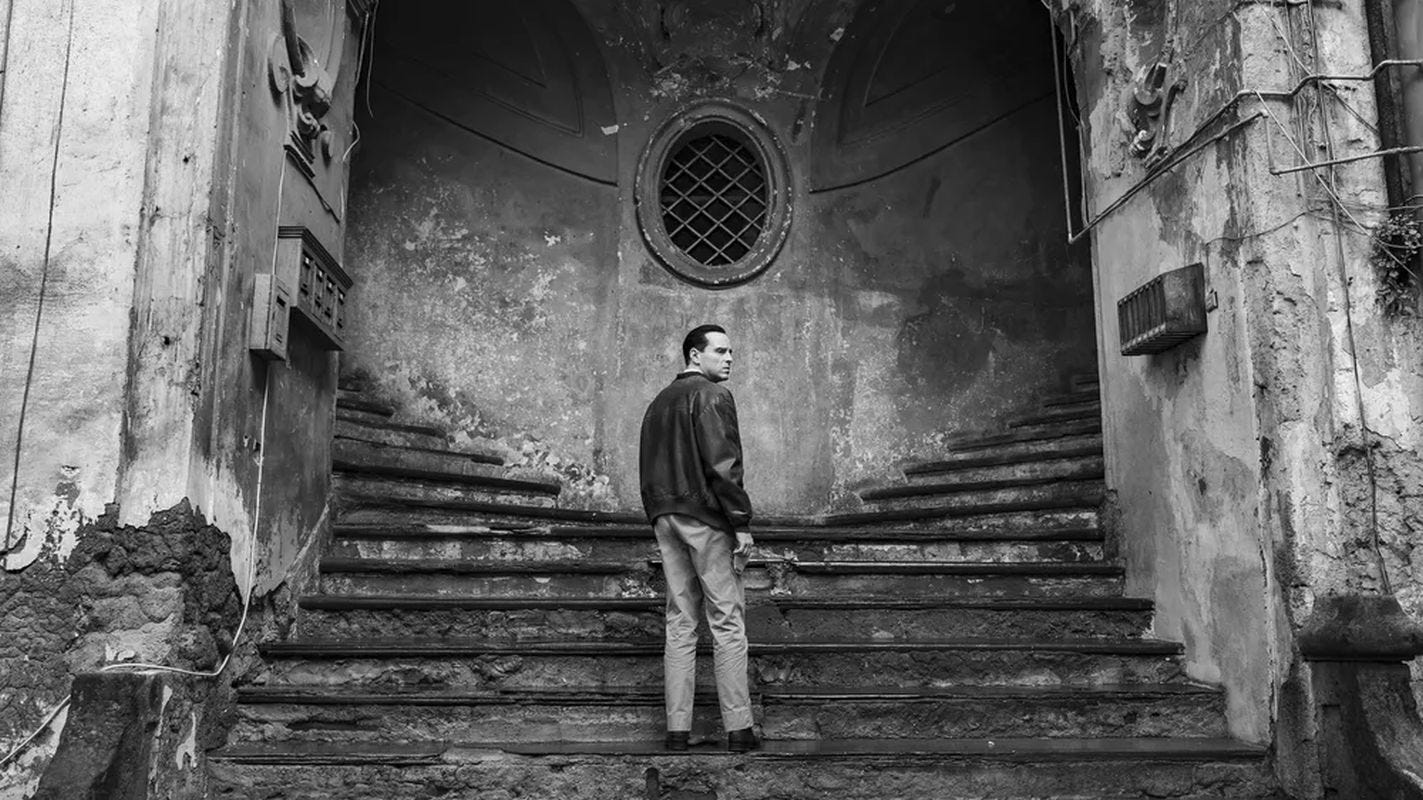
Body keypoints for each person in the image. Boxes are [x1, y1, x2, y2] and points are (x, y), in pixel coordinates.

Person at [638, 323, 758, 753]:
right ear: (694, 356)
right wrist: (740, 521)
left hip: (665, 516)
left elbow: (648, 466)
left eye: (731, 352)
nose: (729, 359)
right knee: (726, 620)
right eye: (721, 351)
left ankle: (676, 731)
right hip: (705, 518)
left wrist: (658, 513)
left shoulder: (657, 404)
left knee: (680, 620)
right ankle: (739, 730)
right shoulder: (712, 395)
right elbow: (724, 464)